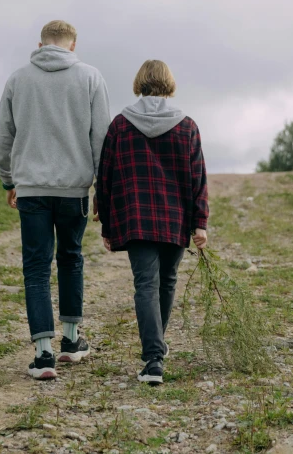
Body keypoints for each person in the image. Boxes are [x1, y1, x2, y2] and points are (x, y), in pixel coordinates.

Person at [0, 20, 110, 380]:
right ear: (73, 45)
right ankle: (71, 343)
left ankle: (43, 355)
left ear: (40, 43)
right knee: (71, 258)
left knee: (36, 267)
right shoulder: (90, 77)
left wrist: (9, 180)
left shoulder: (18, 79)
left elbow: (2, 139)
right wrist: (99, 187)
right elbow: (101, 137)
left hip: (31, 190)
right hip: (73, 189)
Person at [96, 60, 208, 385]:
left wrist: (106, 223)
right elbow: (198, 178)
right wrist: (199, 223)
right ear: (169, 84)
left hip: (135, 218)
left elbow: (105, 177)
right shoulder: (187, 126)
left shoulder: (120, 125)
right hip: (175, 219)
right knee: (167, 281)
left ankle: (154, 358)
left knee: (146, 284)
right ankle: (156, 352)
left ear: (139, 83)